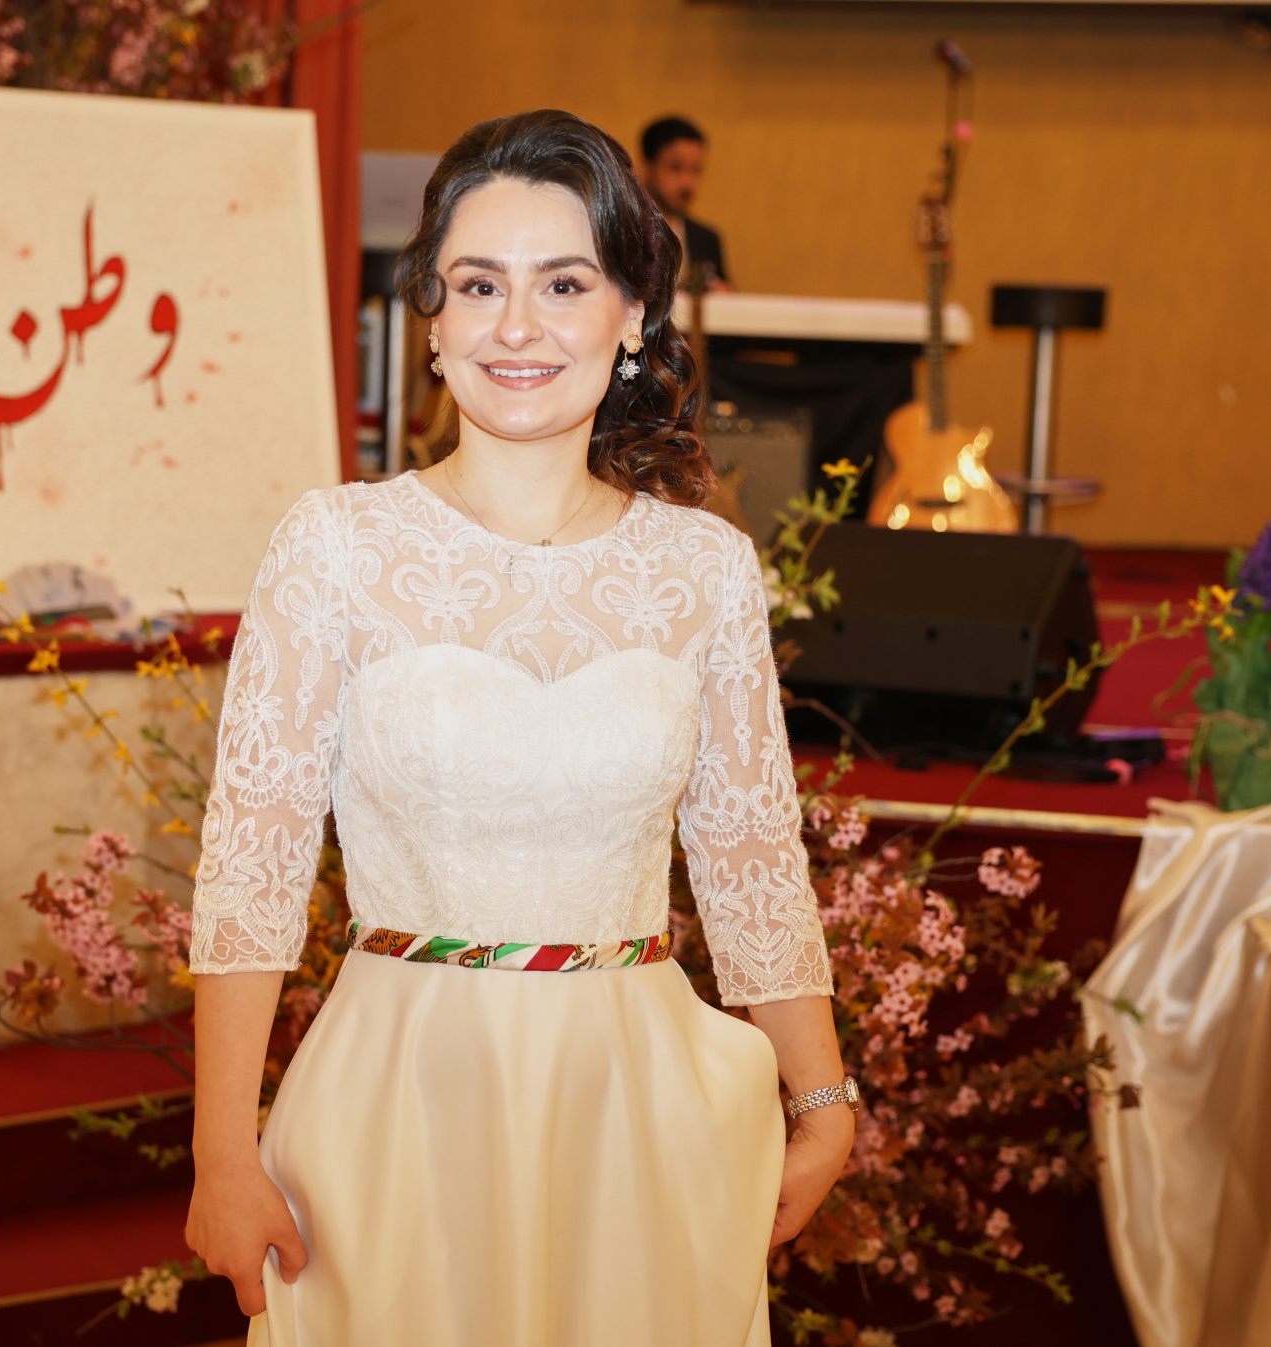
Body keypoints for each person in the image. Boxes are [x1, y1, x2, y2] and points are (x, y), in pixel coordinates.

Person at [183, 109, 849, 1346]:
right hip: (394, 1103)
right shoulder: (336, 546)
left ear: (632, 315)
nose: (519, 326)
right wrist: (221, 1150)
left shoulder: (704, 569)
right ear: (430, 318)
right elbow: (252, 867)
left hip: (637, 1112)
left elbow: (751, 853)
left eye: (565, 284)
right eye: (480, 284)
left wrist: (823, 1101)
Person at [639, 114, 732, 292]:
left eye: (695, 170)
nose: (687, 183)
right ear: (647, 167)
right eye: (676, 168)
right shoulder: (625, 230)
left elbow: (728, 298)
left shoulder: (706, 238)